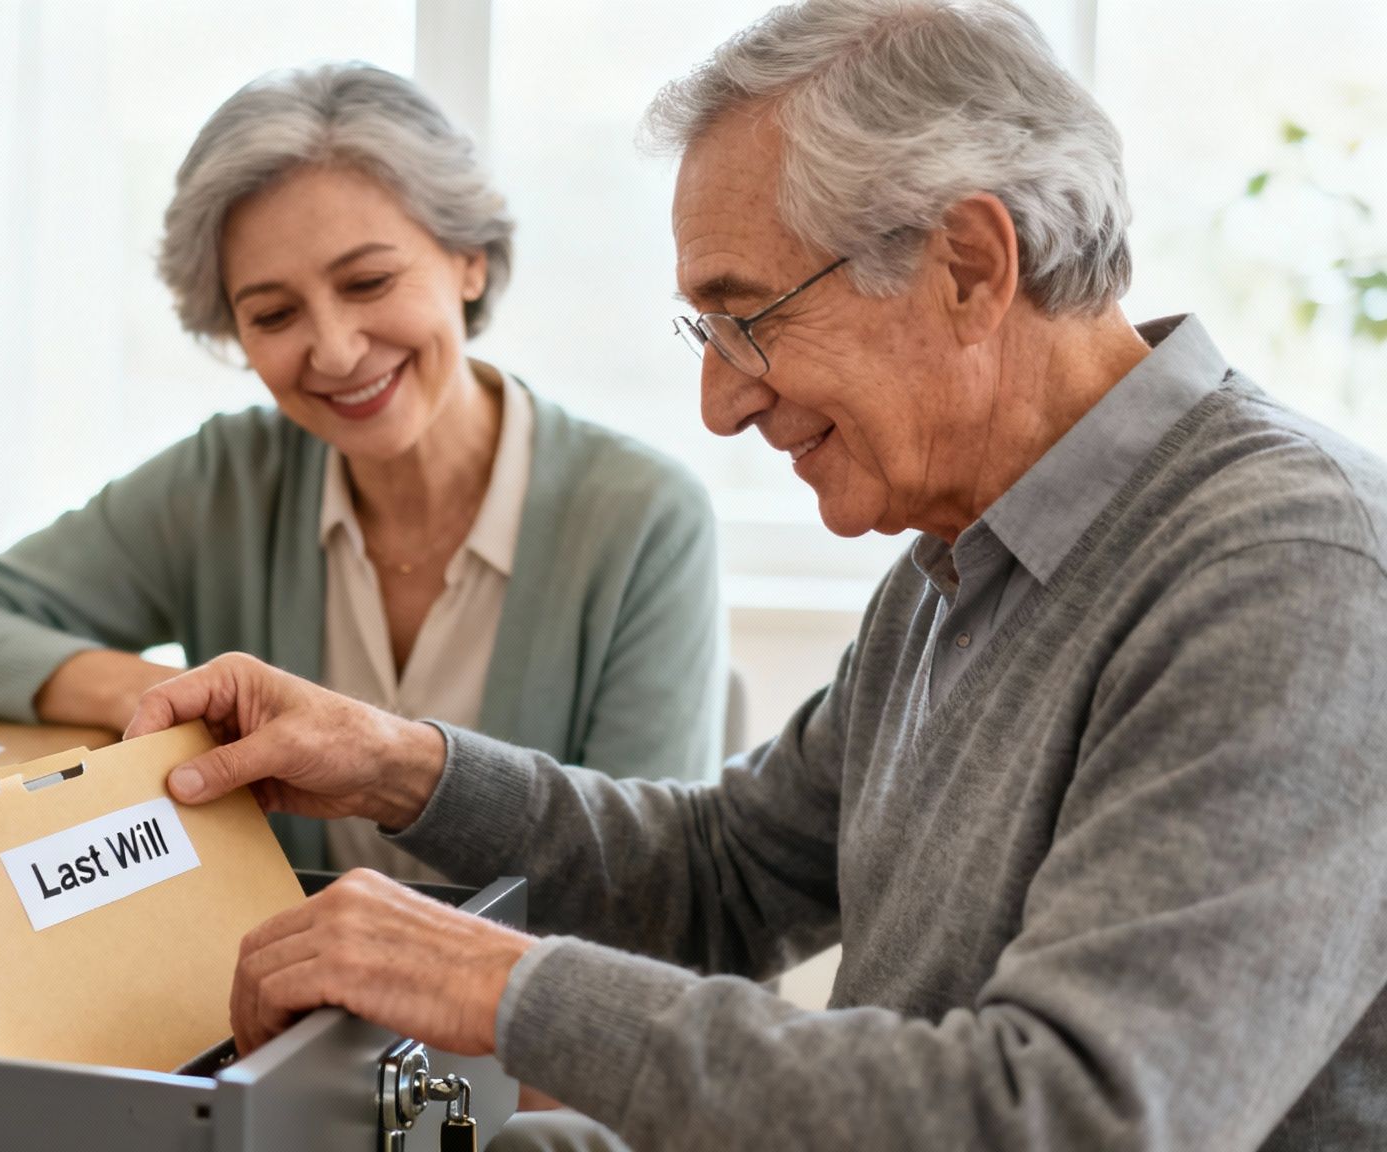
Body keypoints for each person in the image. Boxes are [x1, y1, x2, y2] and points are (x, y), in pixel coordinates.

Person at [122, 2, 1387, 1149]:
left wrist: (493, 982)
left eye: (749, 317)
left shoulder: (1289, 573)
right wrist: (397, 766)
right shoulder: (962, 559)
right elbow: (728, 875)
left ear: (968, 266)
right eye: (703, 329)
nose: (719, 402)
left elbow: (1060, 1117)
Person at [0, 64, 727, 877]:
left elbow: (644, 884)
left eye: (368, 281)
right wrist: (157, 692)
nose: (334, 348)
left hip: (521, 1019)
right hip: (281, 1013)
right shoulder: (224, 481)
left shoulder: (642, 517)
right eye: (274, 312)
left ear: (468, 257)